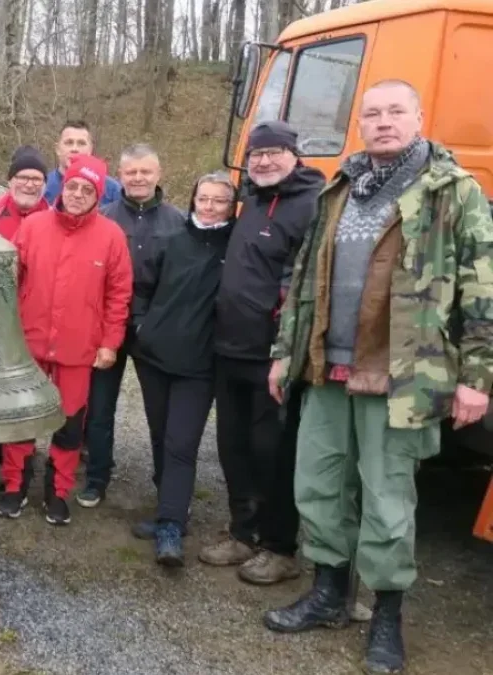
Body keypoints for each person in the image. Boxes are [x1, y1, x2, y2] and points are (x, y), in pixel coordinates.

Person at [264, 80, 493, 674]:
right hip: (325, 366)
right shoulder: (337, 190)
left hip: (400, 375)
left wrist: (476, 377)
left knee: (388, 500)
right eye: (372, 113)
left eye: (396, 111)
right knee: (318, 485)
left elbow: (483, 289)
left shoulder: (453, 192)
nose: (384, 121)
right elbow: (303, 278)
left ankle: (387, 616)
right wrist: (285, 352)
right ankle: (328, 595)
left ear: (419, 117)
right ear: (359, 123)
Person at [201, 121, 325, 585]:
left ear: (296, 155)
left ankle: (279, 546)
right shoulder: (251, 200)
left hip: (273, 356)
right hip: (229, 348)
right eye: (257, 154)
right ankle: (242, 532)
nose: (264, 161)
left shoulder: (311, 207)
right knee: (232, 447)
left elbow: (306, 287)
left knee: (273, 451)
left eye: (275, 152)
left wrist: (285, 352)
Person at [0, 155, 132, 526]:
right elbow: (9, 281)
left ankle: (57, 492)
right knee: (22, 417)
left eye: (87, 190)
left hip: (78, 348)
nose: (77, 194)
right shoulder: (34, 226)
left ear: (98, 196)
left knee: (70, 424)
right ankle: (14, 485)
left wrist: (110, 343)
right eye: (72, 186)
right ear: (62, 186)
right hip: (29, 343)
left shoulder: (111, 236)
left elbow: (119, 295)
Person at [129, 172, 236, 565]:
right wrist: (142, 326)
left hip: (199, 366)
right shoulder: (173, 241)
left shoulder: (234, 247)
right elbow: (142, 288)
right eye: (203, 199)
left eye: (218, 201)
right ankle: (170, 508)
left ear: (231, 205)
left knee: (180, 443)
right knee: (159, 435)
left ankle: (171, 527)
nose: (208, 207)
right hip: (156, 358)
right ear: (193, 200)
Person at [76, 143, 185, 510]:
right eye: (131, 172)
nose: (138, 178)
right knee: (100, 408)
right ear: (119, 177)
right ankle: (96, 478)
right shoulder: (102, 218)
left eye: (145, 172)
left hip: (156, 328)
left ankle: (166, 483)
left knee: (160, 413)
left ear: (158, 174)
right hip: (108, 326)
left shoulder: (178, 223)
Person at [0, 145, 50, 488]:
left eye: (37, 179)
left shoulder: (54, 216)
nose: (29, 184)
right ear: (9, 181)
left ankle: (17, 456)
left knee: (27, 391)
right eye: (23, 177)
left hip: (36, 322)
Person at [42, 121, 122, 207]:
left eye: (81, 143)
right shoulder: (42, 187)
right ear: (58, 149)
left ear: (90, 149)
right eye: (69, 143)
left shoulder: (112, 190)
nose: (74, 149)